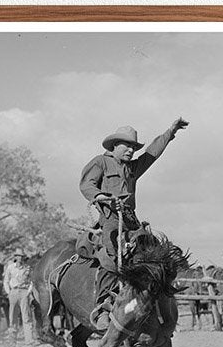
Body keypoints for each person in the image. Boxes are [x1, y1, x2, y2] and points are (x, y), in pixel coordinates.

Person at [79, 117, 188, 328]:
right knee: (111, 259)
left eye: (133, 147)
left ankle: (156, 304)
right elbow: (87, 185)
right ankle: (102, 307)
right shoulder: (100, 162)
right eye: (127, 145)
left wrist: (170, 132)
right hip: (110, 219)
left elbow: (152, 153)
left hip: (131, 219)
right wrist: (102, 197)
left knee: (154, 253)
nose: (131, 150)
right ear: (114, 145)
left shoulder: (132, 168)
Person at [3, 249, 34, 346]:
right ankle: (12, 340)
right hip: (14, 291)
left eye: (21, 256)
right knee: (13, 316)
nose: (20, 258)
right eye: (18, 256)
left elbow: (32, 281)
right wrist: (9, 292)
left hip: (24, 292)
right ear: (15, 257)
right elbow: (6, 280)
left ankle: (29, 340)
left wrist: (28, 292)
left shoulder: (27, 268)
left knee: (26, 316)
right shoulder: (10, 267)